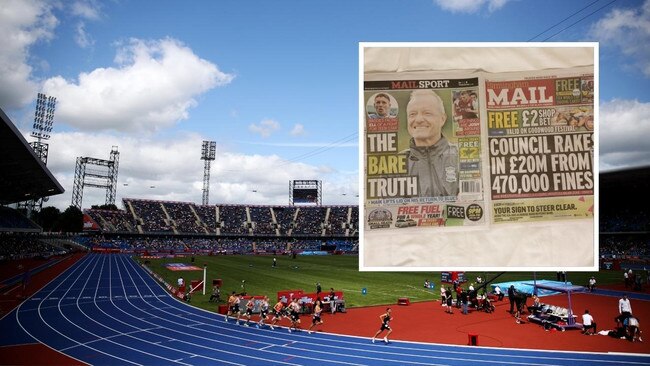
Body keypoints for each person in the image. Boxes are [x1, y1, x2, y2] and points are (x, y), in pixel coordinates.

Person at [402, 89, 459, 198]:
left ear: (442, 119)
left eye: (427, 113)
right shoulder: (394, 163)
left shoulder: (462, 156)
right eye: (412, 114)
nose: (418, 119)